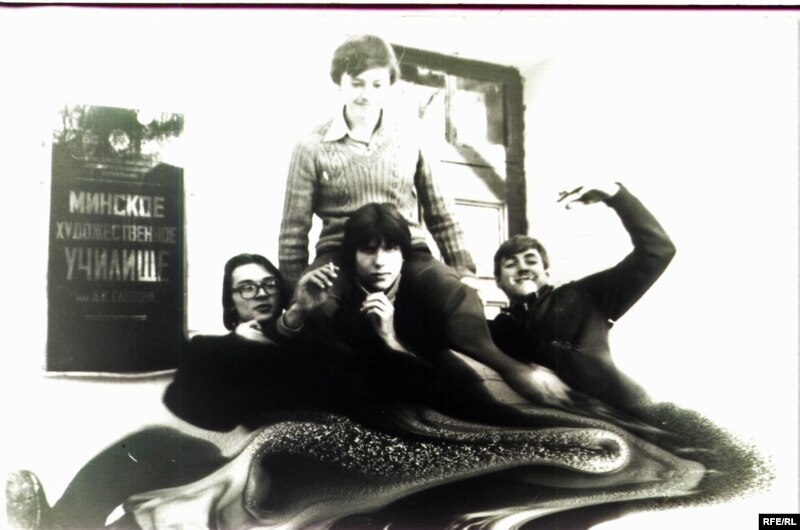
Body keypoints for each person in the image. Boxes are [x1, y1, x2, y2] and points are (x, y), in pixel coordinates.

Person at [5, 253, 291, 529]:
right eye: (247, 288)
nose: (261, 294)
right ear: (231, 300)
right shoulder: (213, 347)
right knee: (145, 447)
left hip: (270, 453)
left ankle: (63, 525)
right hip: (225, 450)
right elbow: (194, 405)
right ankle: (65, 523)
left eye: (269, 285)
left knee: (152, 450)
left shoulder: (298, 340)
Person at [277, 202, 573, 409]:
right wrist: (298, 309)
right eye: (368, 250)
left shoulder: (426, 302)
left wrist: (390, 339)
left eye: (390, 249)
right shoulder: (331, 299)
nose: (379, 261)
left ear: (404, 255)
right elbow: (300, 363)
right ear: (352, 256)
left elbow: (442, 382)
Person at [278, 33, 479, 310]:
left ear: (389, 85)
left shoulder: (413, 136)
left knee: (459, 295)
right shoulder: (310, 146)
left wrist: (465, 272)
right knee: (318, 308)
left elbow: (442, 213)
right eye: (357, 83)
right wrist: (294, 295)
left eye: (376, 84)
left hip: (406, 252)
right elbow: (293, 232)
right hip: (338, 256)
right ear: (339, 81)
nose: (366, 94)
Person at [489, 182, 676, 413]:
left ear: (547, 272)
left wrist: (616, 195)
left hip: (623, 414)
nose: (522, 268)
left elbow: (657, 251)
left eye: (531, 261)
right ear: (498, 280)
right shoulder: (497, 329)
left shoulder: (582, 295)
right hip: (553, 423)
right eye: (510, 264)